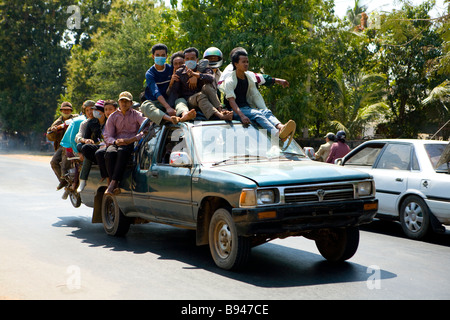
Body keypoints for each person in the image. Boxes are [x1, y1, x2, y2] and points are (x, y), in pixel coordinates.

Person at [223, 49, 295, 140]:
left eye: (247, 62)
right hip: (236, 111)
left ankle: (281, 127)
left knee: (265, 111)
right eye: (243, 62)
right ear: (236, 64)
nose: (246, 64)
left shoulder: (249, 78)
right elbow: (232, 102)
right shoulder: (230, 80)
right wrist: (242, 115)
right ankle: (277, 135)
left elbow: (262, 78)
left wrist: (278, 80)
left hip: (248, 108)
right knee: (257, 114)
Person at [169, 47, 232, 121]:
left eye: (192, 58)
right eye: (187, 59)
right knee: (200, 96)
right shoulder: (180, 72)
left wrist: (196, 75)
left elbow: (211, 78)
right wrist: (172, 82)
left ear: (197, 60)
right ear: (184, 60)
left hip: (205, 98)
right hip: (189, 100)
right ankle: (220, 116)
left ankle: (220, 109)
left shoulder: (204, 68)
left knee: (207, 86)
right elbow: (174, 91)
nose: (190, 61)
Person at [103, 91, 146, 195]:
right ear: (118, 102)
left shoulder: (136, 115)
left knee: (122, 152)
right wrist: (115, 141)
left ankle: (113, 183)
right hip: (116, 142)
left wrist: (132, 139)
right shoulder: (113, 116)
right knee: (109, 153)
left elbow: (146, 129)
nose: (124, 103)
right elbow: (107, 135)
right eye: (122, 101)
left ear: (131, 103)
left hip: (131, 143)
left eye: (126, 101)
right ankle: (114, 183)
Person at [141, 43, 194, 125]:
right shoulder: (150, 73)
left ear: (166, 56)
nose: (160, 57)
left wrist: (193, 76)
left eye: (163, 55)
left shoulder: (171, 68)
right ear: (153, 56)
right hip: (156, 102)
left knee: (181, 100)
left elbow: (186, 71)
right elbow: (155, 91)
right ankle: (171, 119)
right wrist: (168, 108)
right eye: (157, 55)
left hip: (170, 100)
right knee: (145, 106)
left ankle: (184, 115)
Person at [77, 100, 109, 192]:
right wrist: (87, 140)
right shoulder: (91, 123)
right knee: (84, 148)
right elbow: (85, 137)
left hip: (106, 146)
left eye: (96, 110)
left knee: (88, 156)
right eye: (90, 110)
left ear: (102, 112)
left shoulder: (109, 121)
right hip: (95, 146)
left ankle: (83, 180)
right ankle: (82, 180)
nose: (93, 112)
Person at [47, 102, 78, 190]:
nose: (66, 111)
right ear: (61, 111)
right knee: (53, 162)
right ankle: (63, 180)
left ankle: (65, 176)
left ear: (71, 111)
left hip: (76, 143)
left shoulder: (76, 118)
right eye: (64, 110)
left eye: (68, 110)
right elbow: (50, 137)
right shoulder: (57, 123)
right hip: (63, 145)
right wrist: (54, 131)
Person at [95, 100, 118, 183]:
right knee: (98, 152)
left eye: (110, 109)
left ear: (115, 109)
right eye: (106, 109)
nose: (108, 112)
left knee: (109, 153)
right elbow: (106, 136)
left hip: (117, 143)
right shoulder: (106, 121)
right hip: (108, 143)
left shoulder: (118, 118)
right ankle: (106, 176)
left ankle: (112, 181)